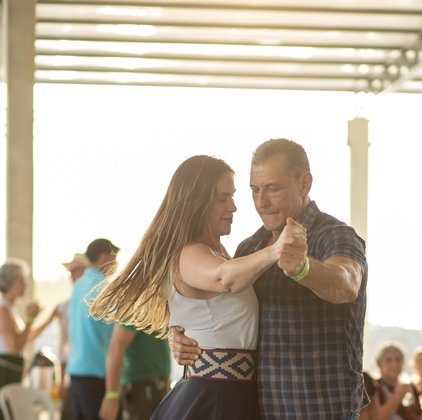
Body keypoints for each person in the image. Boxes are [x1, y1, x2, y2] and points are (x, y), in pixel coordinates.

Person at [90, 155, 305, 420]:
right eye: (222, 198)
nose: (234, 207)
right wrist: (276, 249)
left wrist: (177, 335)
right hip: (212, 398)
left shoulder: (219, 253)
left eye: (232, 196)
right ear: (196, 202)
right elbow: (223, 279)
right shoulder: (188, 253)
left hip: (230, 396)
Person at [171, 139, 367, 419]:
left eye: (273, 189)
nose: (261, 202)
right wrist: (185, 337)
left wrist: (303, 268)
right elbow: (225, 313)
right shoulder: (249, 248)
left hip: (322, 409)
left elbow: (346, 284)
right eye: (255, 190)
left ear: (304, 184)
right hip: (258, 410)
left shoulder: (335, 235)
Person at [67, 239, 119, 420]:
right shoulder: (104, 286)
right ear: (104, 257)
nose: (117, 265)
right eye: (114, 259)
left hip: (76, 371)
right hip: (96, 372)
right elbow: (119, 329)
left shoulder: (78, 285)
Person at [0, 259, 56, 389]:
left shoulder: (10, 309)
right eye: (22, 280)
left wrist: (49, 320)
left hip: (13, 370)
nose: (26, 284)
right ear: (11, 282)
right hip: (5, 372)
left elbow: (27, 338)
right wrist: (29, 320)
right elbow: (14, 348)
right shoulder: (3, 310)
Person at [98, 323, 171, 420]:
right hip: (141, 388)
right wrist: (112, 394)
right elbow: (116, 346)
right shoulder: (135, 312)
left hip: (157, 388)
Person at [57, 253, 90, 420]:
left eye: (76, 270)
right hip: (74, 377)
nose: (72, 276)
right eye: (70, 272)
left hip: (95, 377)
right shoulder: (64, 307)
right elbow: (63, 344)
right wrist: (62, 380)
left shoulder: (101, 303)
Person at [375, 343, 422, 420]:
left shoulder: (410, 387)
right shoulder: (374, 388)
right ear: (380, 364)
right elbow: (375, 417)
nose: (394, 364)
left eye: (398, 359)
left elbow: (419, 415)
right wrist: (397, 397)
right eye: (388, 361)